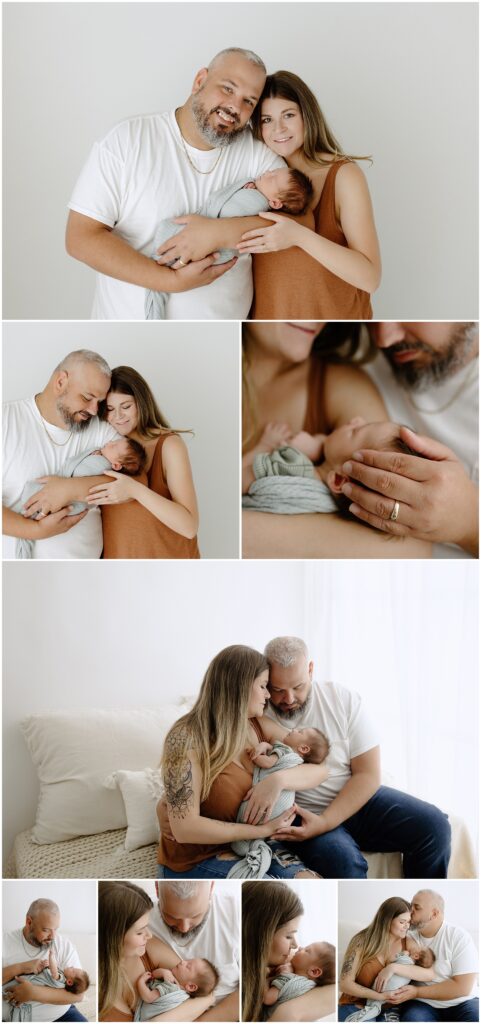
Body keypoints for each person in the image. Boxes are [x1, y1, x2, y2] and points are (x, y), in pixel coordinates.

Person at [66, 48, 286, 320]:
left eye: (249, 102)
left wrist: (218, 233)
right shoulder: (128, 139)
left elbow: (300, 222)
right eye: (228, 89)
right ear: (199, 81)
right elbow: (80, 238)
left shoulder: (256, 154)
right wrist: (168, 281)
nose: (235, 107)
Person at [262, 637, 451, 879]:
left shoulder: (341, 699)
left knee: (435, 827)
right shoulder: (259, 710)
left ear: (310, 670)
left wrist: (327, 820)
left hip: (358, 799)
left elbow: (368, 774)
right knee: (345, 864)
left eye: (298, 687)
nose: (288, 699)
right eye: (277, 689)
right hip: (304, 814)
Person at [242, 321, 431, 558]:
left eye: (356, 431)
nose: (355, 421)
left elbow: (411, 547)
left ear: (338, 480)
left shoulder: (338, 384)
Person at [157, 644, 329, 879]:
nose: (268, 695)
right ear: (237, 687)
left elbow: (319, 770)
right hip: (196, 860)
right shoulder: (185, 738)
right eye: (262, 686)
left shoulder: (258, 727)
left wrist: (278, 780)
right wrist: (262, 829)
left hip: (253, 845)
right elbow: (185, 829)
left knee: (310, 883)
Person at [236, 70, 381, 319]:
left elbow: (370, 278)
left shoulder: (344, 176)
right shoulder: (256, 178)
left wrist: (299, 236)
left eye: (288, 115)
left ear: (307, 115)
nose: (278, 129)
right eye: (267, 120)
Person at [342, 323, 479, 557]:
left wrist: (469, 520)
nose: (384, 339)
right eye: (373, 324)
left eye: (406, 318)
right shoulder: (354, 355)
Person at [145, 167, 313, 318]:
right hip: (202, 244)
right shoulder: (255, 189)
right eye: (272, 171)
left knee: (168, 232)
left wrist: (247, 192)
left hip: (219, 252)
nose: (268, 172)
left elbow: (229, 212)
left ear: (275, 203)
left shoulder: (256, 203)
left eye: (273, 178)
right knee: (168, 233)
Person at [2, 350, 119, 559]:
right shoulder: (6, 420)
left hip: (84, 578)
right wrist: (36, 531)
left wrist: (69, 489)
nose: (94, 410)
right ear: (60, 382)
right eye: (87, 397)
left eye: (99, 402)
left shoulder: (101, 431)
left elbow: (133, 481)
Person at [88, 366, 200, 559]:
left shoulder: (169, 445)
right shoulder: (104, 448)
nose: (118, 416)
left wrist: (134, 490)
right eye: (110, 409)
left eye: (126, 406)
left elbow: (189, 527)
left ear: (142, 402)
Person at [98, 881, 217, 1023]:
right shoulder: (99, 990)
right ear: (113, 937)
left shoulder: (149, 949)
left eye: (147, 927)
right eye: (140, 932)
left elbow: (207, 995)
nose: (149, 935)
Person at [14, 438, 146, 558]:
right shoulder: (99, 452)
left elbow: (84, 476)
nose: (110, 442)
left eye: (114, 446)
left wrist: (65, 485)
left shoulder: (102, 465)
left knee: (37, 503)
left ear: (116, 466)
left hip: (72, 505)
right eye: (113, 441)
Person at [242, 881, 336, 1022]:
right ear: (261, 935)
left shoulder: (291, 973)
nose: (296, 945)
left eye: (306, 951)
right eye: (288, 936)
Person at [148, 881, 239, 1022]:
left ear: (211, 888)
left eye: (196, 915)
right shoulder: (143, 921)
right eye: (171, 916)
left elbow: (251, 989)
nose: (184, 928)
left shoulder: (236, 911)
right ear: (157, 888)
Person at [338, 897, 436, 1022]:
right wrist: (379, 996)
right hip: (356, 1004)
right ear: (387, 920)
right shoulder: (361, 941)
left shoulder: (407, 942)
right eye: (402, 922)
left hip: (389, 1009)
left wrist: (392, 968)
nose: (407, 927)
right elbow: (345, 984)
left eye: (408, 922)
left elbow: (429, 974)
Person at [392, 889, 479, 1022]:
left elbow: (463, 987)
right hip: (422, 1004)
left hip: (463, 1002)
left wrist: (416, 992)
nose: (410, 912)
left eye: (417, 907)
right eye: (411, 906)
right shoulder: (405, 935)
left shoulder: (459, 937)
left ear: (434, 914)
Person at [2, 898, 87, 1022]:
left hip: (61, 1016)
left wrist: (33, 993)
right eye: (46, 930)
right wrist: (21, 968)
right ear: (29, 922)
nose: (53, 937)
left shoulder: (63, 945)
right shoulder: (4, 942)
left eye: (56, 929)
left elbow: (79, 995)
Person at [4, 949, 90, 1021]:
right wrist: (46, 965)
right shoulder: (62, 979)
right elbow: (49, 973)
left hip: (64, 1013)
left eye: (73, 970)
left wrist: (51, 956)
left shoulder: (61, 980)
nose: (72, 967)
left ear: (69, 982)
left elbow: (54, 971)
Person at [263, 941, 336, 1017]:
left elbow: (267, 999)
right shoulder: (309, 986)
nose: (300, 948)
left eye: (307, 950)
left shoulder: (289, 979)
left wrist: (266, 978)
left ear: (314, 971)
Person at [135, 959, 218, 1022]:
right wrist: (164, 972)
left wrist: (141, 982)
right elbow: (154, 974)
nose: (183, 961)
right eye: (187, 960)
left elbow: (148, 997)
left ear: (191, 986)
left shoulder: (171, 988)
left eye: (188, 966)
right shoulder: (181, 992)